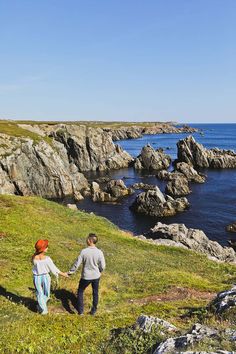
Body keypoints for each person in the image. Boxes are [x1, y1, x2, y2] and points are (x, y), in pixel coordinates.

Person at [68, 233, 106, 315]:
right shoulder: (100, 252)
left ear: (89, 240)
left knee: (81, 291)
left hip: (86, 276)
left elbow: (76, 264)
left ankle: (81, 311)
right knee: (95, 292)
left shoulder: (84, 252)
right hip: (96, 276)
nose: (86, 240)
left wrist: (70, 272)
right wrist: (99, 271)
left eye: (87, 239)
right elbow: (103, 266)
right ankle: (93, 311)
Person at [32, 239, 68, 315]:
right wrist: (63, 274)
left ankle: (41, 306)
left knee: (39, 293)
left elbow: (34, 261)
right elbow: (54, 269)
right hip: (45, 277)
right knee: (46, 294)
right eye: (46, 247)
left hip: (36, 277)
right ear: (43, 249)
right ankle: (43, 310)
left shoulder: (34, 258)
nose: (47, 248)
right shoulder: (47, 259)